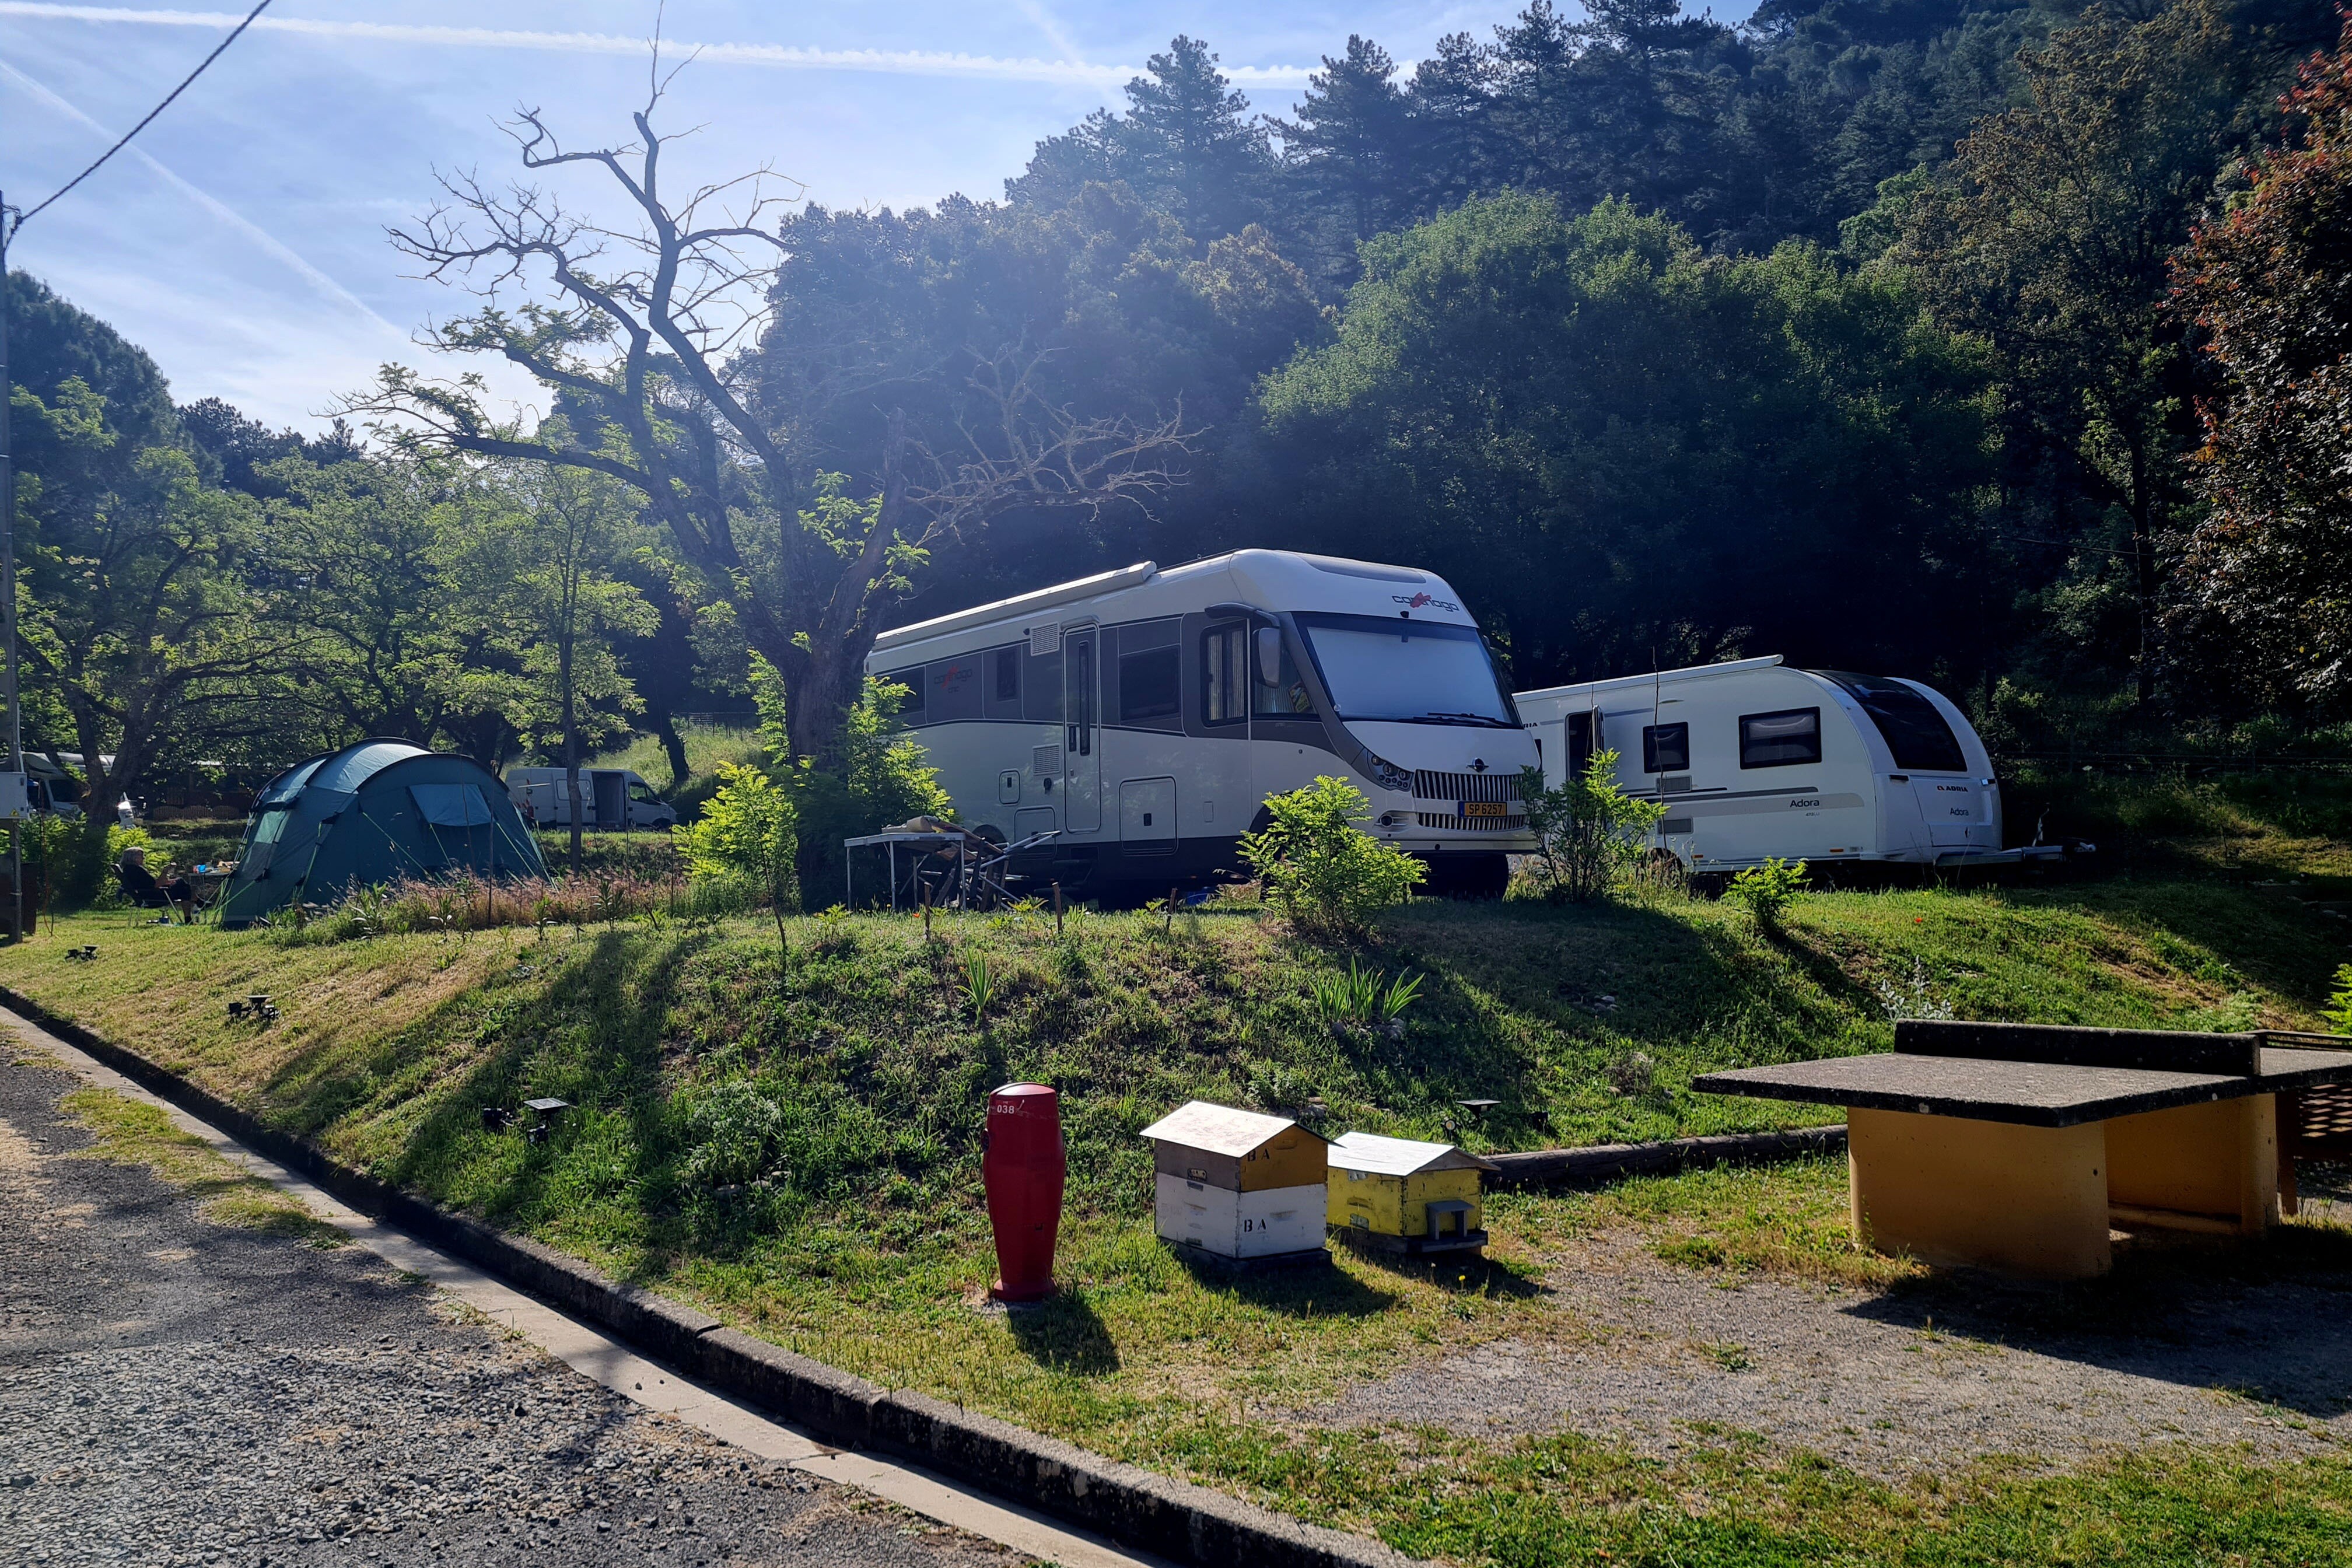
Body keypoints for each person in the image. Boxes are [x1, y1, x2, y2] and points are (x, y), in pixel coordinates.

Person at [117, 846, 195, 923]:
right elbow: (156, 885)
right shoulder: (137, 871)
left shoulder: (128, 870)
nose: (144, 858)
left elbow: (147, 884)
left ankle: (197, 904)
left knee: (181, 885)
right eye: (141, 856)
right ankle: (192, 912)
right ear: (134, 858)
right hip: (154, 898)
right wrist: (165, 871)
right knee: (183, 886)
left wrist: (166, 883)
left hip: (144, 895)